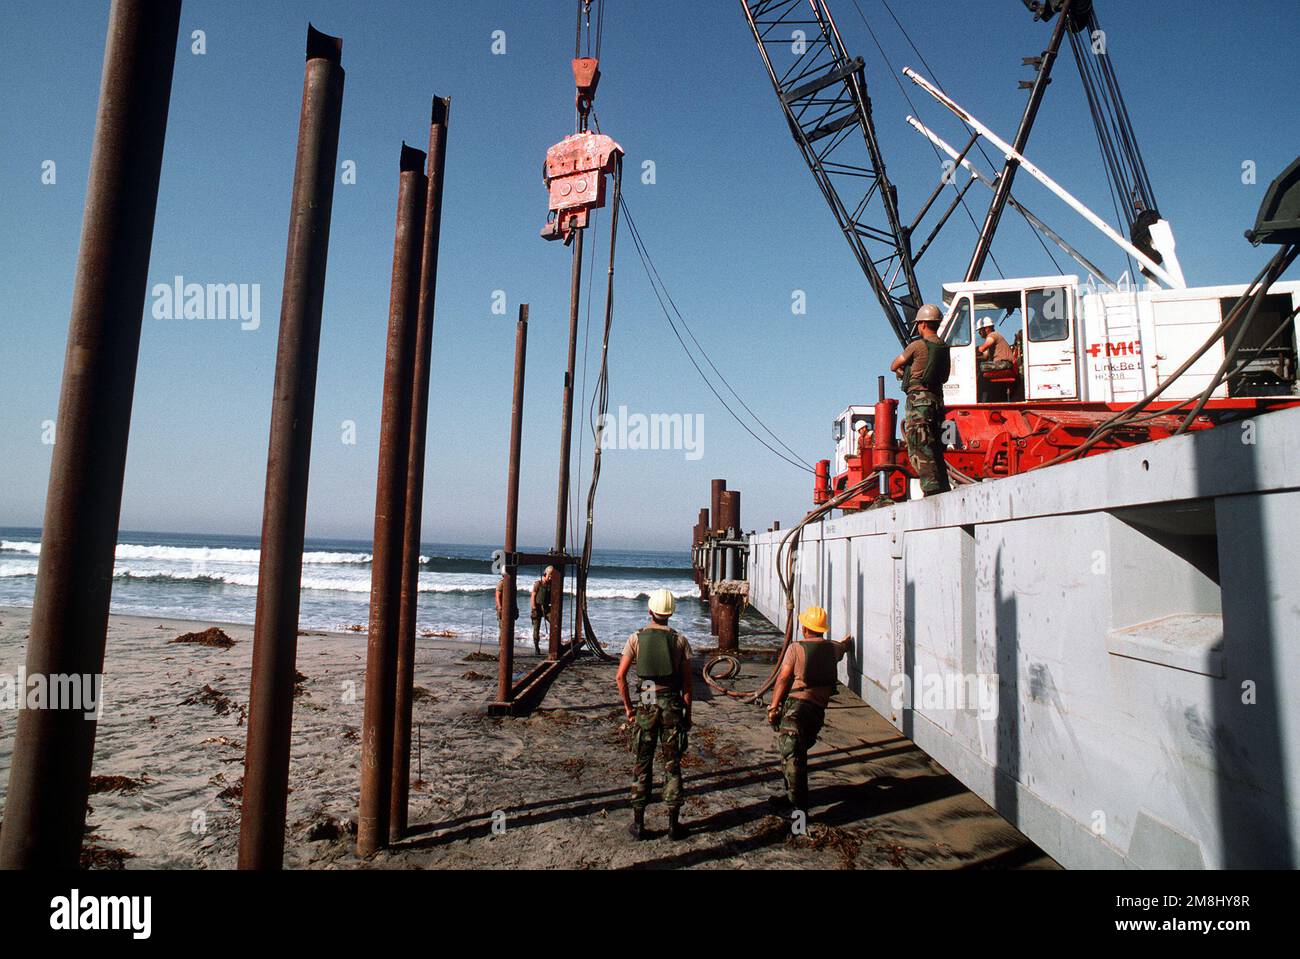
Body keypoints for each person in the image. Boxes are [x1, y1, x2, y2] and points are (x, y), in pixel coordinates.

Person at [616, 588, 693, 840]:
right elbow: (688, 685)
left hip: (647, 695)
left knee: (642, 761)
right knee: (672, 764)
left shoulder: (636, 638)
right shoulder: (680, 640)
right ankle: (673, 825)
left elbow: (620, 677)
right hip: (671, 698)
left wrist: (629, 708)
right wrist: (687, 714)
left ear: (650, 611)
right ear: (670, 613)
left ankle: (638, 824)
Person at [766, 606, 853, 813]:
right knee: (797, 753)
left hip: (797, 710)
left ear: (805, 628)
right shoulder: (833, 648)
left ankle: (799, 809)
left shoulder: (795, 649)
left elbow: (783, 679)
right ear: (822, 629)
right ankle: (792, 798)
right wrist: (847, 642)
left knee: (792, 755)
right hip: (816, 712)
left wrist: (774, 706)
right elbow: (843, 646)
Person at [889, 302, 951, 496]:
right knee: (935, 445)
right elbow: (945, 377)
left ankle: (931, 491)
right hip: (937, 401)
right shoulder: (943, 347)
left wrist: (903, 371)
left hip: (918, 401)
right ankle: (942, 487)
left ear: (923, 324)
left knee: (919, 445)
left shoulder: (917, 345)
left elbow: (894, 365)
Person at [529, 566, 555, 655]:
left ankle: (554, 645)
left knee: (555, 623)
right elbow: (533, 596)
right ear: (545, 574)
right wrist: (533, 608)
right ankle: (536, 647)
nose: (550, 578)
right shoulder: (538, 584)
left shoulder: (551, 584)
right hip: (537, 608)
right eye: (549, 576)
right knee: (536, 629)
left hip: (547, 608)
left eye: (552, 576)